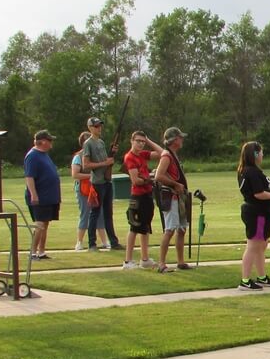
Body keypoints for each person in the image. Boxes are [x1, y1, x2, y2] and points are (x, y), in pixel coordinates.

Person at [236, 141, 270, 290]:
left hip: (261, 212)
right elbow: (259, 193)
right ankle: (245, 280)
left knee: (261, 246)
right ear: (256, 154)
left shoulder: (248, 170)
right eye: (261, 152)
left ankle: (262, 277)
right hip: (256, 213)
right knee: (253, 246)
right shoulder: (252, 172)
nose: (263, 155)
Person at [121, 130, 164, 269]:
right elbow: (135, 180)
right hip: (137, 196)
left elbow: (162, 153)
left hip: (147, 195)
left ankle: (145, 259)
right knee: (134, 227)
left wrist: (149, 141)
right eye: (138, 141)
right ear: (132, 141)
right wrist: (150, 179)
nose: (140, 144)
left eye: (143, 142)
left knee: (145, 227)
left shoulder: (143, 154)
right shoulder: (130, 157)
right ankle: (128, 261)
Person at [81, 116, 123, 251]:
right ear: (90, 128)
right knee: (95, 213)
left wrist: (112, 154)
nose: (99, 128)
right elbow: (86, 165)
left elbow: (107, 160)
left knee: (108, 213)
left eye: (100, 126)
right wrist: (105, 163)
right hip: (97, 182)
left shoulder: (101, 142)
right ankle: (92, 243)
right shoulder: (88, 143)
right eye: (96, 126)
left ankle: (113, 242)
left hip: (106, 181)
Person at [154, 126, 192, 272]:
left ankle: (180, 262)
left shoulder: (172, 154)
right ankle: (161, 263)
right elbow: (159, 176)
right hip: (171, 197)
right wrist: (175, 184)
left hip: (179, 197)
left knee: (181, 229)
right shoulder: (167, 156)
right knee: (169, 230)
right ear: (174, 139)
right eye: (180, 137)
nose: (182, 140)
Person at [23, 130, 62, 260]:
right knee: (39, 224)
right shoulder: (32, 156)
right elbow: (29, 177)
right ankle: (33, 252)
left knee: (45, 224)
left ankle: (41, 251)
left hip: (50, 196)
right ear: (43, 141)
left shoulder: (44, 155)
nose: (51, 143)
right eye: (49, 140)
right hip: (40, 196)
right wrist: (34, 194)